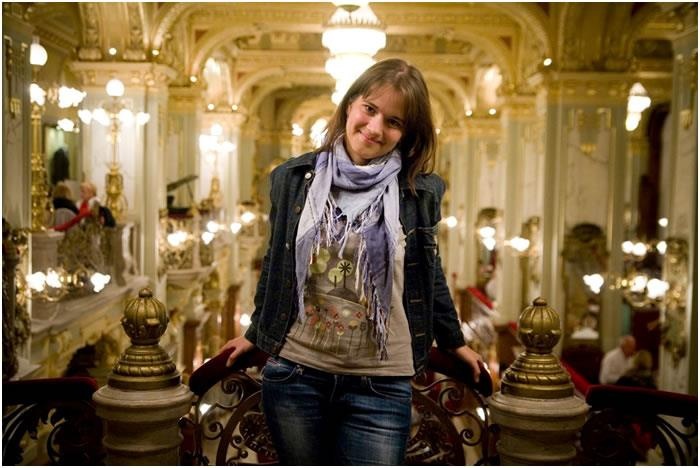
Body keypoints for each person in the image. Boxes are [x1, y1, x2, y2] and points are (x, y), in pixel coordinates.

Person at [219, 58, 483, 465]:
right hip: (296, 373)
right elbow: (277, 261)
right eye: (370, 109)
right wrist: (256, 332)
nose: (375, 128)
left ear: (407, 133)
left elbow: (427, 272)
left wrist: (454, 341)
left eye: (393, 122)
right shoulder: (293, 178)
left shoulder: (419, 191)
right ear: (349, 105)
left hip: (381, 384)